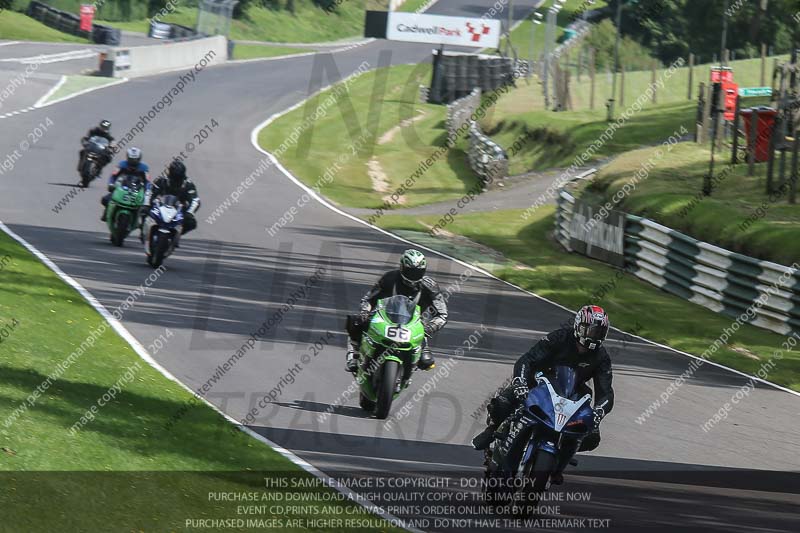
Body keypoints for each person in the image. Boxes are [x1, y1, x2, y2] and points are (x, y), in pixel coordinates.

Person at [472, 305, 614, 485]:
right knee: (502, 403)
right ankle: (492, 431)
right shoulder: (559, 337)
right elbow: (527, 359)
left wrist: (599, 412)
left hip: (572, 394)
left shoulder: (601, 356)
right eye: (592, 330)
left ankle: (559, 463)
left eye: (600, 332)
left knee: (592, 435)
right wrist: (520, 382)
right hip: (538, 382)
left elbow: (606, 391)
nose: (595, 336)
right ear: (579, 326)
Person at [345, 249, 447, 373]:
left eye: (417, 272)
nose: (413, 275)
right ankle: (354, 355)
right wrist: (364, 313)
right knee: (355, 322)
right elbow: (368, 299)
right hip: (384, 317)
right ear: (402, 267)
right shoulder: (389, 278)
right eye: (410, 270)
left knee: (427, 362)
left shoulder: (430, 286)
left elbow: (442, 314)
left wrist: (429, 328)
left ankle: (408, 371)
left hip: (415, 325)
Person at [145, 160, 201, 236]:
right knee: (144, 211)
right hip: (161, 205)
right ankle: (144, 232)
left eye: (178, 178)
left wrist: (189, 213)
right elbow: (151, 191)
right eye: (174, 178)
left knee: (191, 223)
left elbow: (195, 200)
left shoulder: (188, 184)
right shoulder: (162, 180)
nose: (175, 181)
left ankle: (175, 235)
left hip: (179, 209)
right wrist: (147, 204)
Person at [100, 147, 150, 222]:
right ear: (127, 157)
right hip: (122, 187)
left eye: (135, 159)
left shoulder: (144, 168)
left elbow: (147, 181)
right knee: (105, 199)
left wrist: (147, 190)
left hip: (137, 189)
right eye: (131, 159)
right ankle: (107, 212)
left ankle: (142, 224)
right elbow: (113, 176)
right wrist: (111, 184)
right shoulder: (121, 164)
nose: (133, 161)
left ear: (139, 158)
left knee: (145, 208)